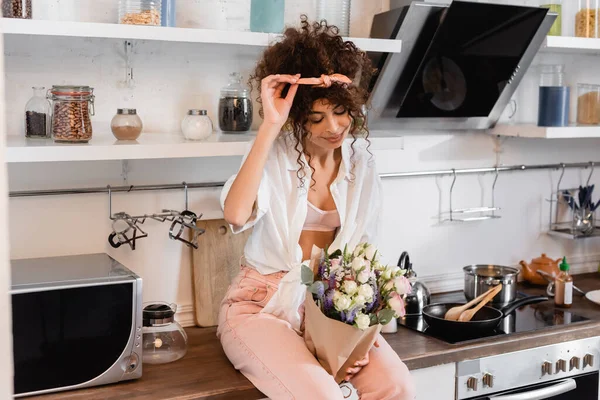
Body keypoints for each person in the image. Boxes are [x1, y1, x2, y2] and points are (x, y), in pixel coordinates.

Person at [217, 16, 416, 400]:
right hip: (261, 308)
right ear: (297, 118)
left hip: (332, 311)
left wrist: (354, 336)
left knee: (396, 384)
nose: (334, 127)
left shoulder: (361, 163)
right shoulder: (274, 154)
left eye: (341, 112)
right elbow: (236, 214)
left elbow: (364, 256)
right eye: (316, 117)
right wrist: (269, 125)